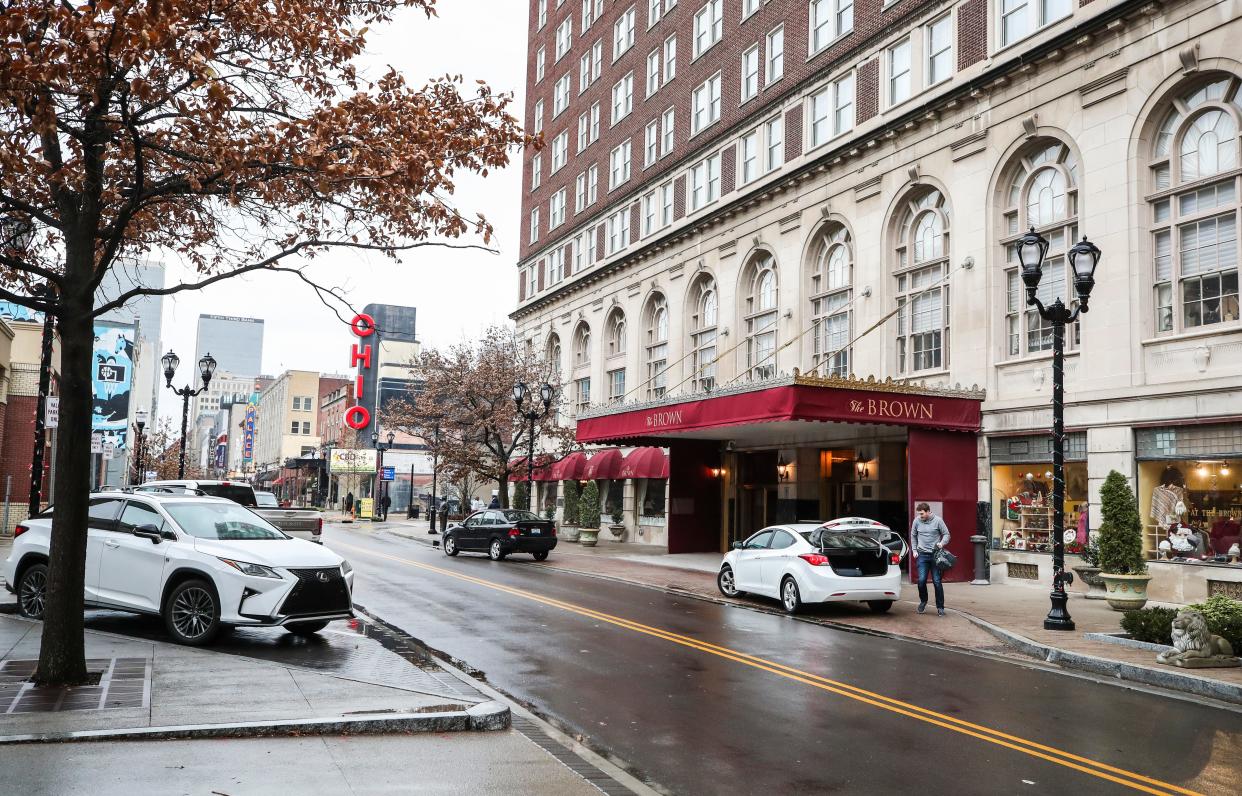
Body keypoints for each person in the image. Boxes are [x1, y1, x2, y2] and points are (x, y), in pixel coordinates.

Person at [910, 502, 951, 616]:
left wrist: (942, 543)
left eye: (922, 514)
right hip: (922, 555)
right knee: (921, 581)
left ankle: (940, 607)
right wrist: (914, 550)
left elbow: (947, 534)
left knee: (937, 582)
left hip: (935, 555)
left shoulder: (938, 521)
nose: (920, 516)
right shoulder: (916, 521)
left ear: (928, 511)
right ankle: (923, 601)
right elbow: (913, 535)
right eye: (919, 514)